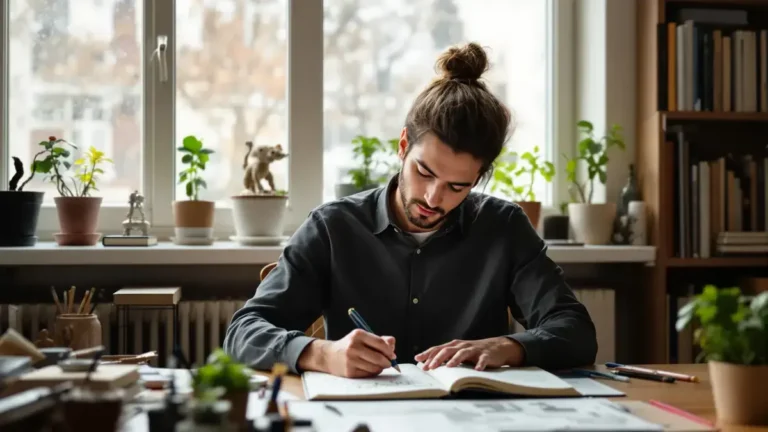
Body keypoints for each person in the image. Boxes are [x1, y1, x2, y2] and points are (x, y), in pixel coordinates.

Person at [224, 42, 597, 378]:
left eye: (457, 186)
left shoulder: (503, 227)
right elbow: (244, 332)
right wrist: (323, 354)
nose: (434, 198)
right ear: (404, 145)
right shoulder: (333, 227)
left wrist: (510, 347)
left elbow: (574, 330)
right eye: (424, 172)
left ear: (479, 176)